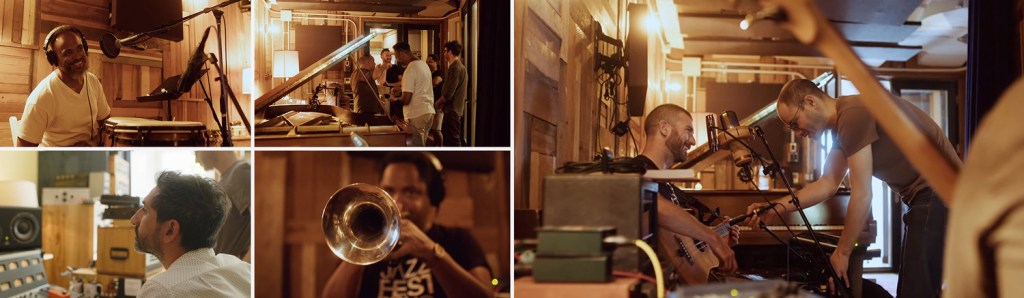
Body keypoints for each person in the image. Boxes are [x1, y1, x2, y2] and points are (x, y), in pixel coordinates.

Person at [744, 79, 961, 297]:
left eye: (794, 123)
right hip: (927, 196)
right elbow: (828, 183)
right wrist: (778, 207)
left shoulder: (853, 115)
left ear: (810, 102)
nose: (798, 133)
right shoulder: (842, 125)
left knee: (915, 292)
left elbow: (863, 194)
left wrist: (843, 252)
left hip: (937, 192)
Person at [322, 153, 491, 298]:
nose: (397, 201)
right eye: (389, 191)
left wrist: (432, 253)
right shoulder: (359, 247)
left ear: (432, 198)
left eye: (410, 192)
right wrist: (360, 246)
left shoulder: (457, 239)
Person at [635, 104, 739, 276]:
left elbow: (677, 247)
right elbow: (656, 205)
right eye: (688, 131)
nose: (693, 141)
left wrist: (714, 244)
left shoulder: (666, 183)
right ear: (664, 129)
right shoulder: (636, 171)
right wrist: (712, 238)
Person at [130, 171, 251, 297]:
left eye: (145, 210)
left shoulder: (162, 290)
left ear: (170, 230)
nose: (133, 219)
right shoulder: (240, 268)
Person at [19, 25, 110, 147]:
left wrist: (94, 141)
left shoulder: (93, 82)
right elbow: (23, 152)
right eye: (67, 53)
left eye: (79, 48)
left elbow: (107, 123)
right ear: (54, 59)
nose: (77, 56)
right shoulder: (42, 97)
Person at [195, 151, 251, 260]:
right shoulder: (224, 179)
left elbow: (262, 226)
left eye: (197, 151)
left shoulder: (240, 173)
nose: (196, 159)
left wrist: (244, 266)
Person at [392, 42, 435, 147]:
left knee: (415, 148)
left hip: (417, 114)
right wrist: (402, 89)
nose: (397, 60)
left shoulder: (410, 69)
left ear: (402, 53)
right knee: (422, 145)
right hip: (428, 112)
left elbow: (406, 99)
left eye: (397, 57)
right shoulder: (423, 65)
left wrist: (395, 100)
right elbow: (420, 87)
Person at [434, 41, 468, 147]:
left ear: (450, 52)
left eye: (445, 51)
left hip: (452, 110)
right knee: (450, 138)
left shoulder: (455, 68)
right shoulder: (458, 67)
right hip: (452, 109)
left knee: (453, 140)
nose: (444, 54)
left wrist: (437, 103)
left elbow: (449, 93)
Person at [426, 54, 444, 146]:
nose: (428, 64)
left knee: (437, 130)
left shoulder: (440, 73)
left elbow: (435, 82)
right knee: (432, 130)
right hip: (429, 104)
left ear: (436, 62)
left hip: (438, 104)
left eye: (430, 62)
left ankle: (440, 148)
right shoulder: (428, 73)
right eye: (427, 62)